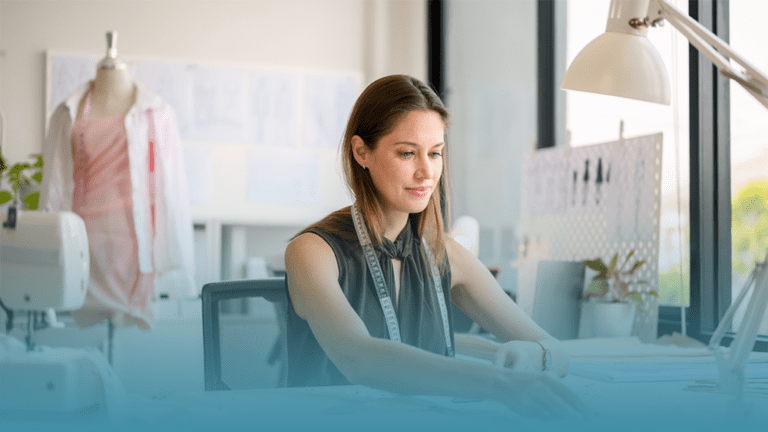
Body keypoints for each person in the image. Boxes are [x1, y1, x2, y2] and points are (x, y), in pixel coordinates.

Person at [284, 75, 585, 418]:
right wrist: (499, 383)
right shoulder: (312, 251)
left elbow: (550, 347)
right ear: (361, 152)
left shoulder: (446, 254)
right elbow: (357, 356)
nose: (426, 172)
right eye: (407, 153)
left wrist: (531, 357)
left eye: (436, 153)